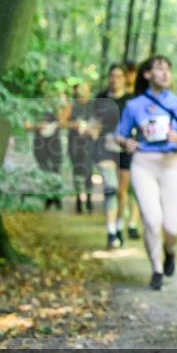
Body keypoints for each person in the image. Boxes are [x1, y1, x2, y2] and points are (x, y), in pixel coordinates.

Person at [115, 56, 177, 290]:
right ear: (147, 74)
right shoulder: (134, 105)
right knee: (151, 220)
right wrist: (126, 143)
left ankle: (170, 251)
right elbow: (119, 134)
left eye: (168, 70)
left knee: (172, 227)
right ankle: (157, 269)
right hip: (143, 164)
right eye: (159, 69)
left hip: (172, 164)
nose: (165, 74)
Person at [93, 64, 133, 248]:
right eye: (112, 75)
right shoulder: (100, 98)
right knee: (110, 187)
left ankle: (119, 227)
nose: (114, 79)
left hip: (125, 150)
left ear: (124, 78)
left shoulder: (131, 100)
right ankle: (110, 231)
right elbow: (93, 123)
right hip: (104, 148)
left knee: (121, 193)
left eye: (118, 76)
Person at [65, 83, 97, 214]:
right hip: (74, 143)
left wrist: (93, 130)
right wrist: (74, 124)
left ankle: (89, 200)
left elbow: (99, 123)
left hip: (89, 143)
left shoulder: (93, 105)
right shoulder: (71, 105)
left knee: (89, 171)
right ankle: (78, 200)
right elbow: (62, 122)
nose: (82, 91)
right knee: (77, 170)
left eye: (85, 88)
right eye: (80, 89)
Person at [118, 62, 142, 241]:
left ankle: (133, 223)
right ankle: (120, 220)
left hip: (141, 148)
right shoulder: (122, 98)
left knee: (138, 188)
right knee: (123, 189)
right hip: (124, 147)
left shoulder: (142, 97)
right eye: (129, 73)